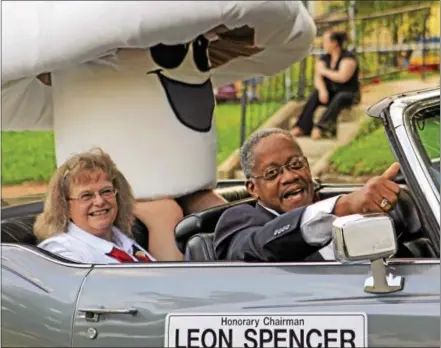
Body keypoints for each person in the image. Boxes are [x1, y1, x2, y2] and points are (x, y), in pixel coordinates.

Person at [214, 128, 401, 262]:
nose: (289, 177)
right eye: (272, 173)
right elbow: (257, 249)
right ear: (253, 188)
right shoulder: (238, 220)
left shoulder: (333, 204)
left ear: (308, 167)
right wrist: (341, 208)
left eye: (296, 164)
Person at [35, 148, 156, 264]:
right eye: (86, 195)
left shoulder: (119, 239)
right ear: (65, 206)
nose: (99, 201)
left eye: (106, 191)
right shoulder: (62, 253)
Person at [291, 30, 360, 140]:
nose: (323, 44)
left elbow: (342, 77)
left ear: (334, 43)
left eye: (325, 41)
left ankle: (321, 127)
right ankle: (302, 126)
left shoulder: (348, 58)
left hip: (348, 94)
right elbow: (318, 78)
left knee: (340, 97)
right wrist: (323, 90)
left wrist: (324, 71)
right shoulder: (324, 58)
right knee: (315, 94)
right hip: (330, 93)